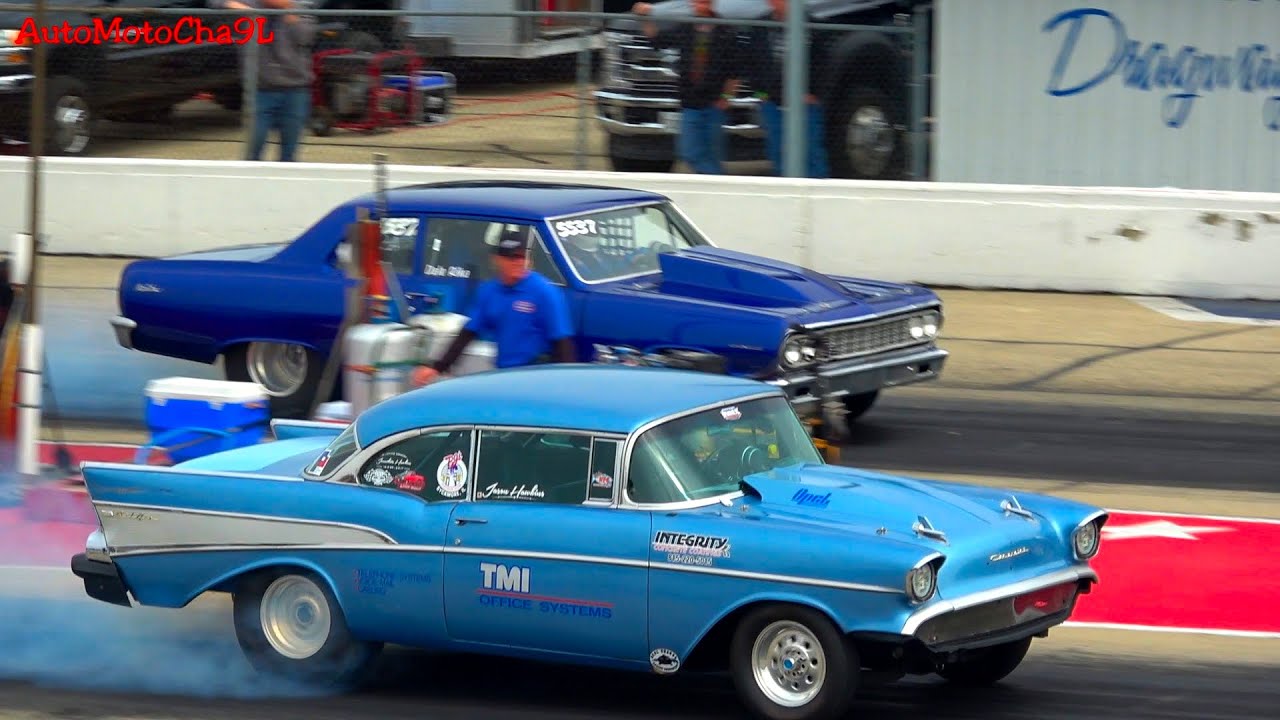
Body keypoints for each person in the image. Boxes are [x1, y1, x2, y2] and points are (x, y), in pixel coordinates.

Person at [411, 228, 576, 386]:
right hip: (504, 375)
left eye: (521, 257)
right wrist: (437, 367)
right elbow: (468, 333)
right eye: (511, 258)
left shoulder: (544, 292)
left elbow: (562, 343)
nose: (517, 262)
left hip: (535, 376)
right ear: (497, 259)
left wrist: (562, 384)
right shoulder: (489, 292)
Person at [632, 0, 741, 174]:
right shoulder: (685, 28)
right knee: (689, 152)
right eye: (698, 2)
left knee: (712, 153)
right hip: (690, 102)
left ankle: (712, 185)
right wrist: (645, 18)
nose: (701, 5)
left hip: (714, 104)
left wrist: (727, 98)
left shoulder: (725, 31)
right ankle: (716, 181)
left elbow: (734, 71)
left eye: (705, 2)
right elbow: (657, 40)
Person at [215, 0, 316, 162]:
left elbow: (306, 38)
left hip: (295, 89)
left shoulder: (300, 7)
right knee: (255, 142)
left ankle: (285, 181)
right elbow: (213, 3)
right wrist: (230, 5)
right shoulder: (250, 5)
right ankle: (251, 181)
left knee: (290, 148)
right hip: (261, 89)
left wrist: (290, 13)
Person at [745, 0, 831, 178]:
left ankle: (818, 190)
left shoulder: (813, 26)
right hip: (773, 102)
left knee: (810, 150)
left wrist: (813, 94)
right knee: (777, 151)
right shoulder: (760, 26)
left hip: (805, 104)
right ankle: (785, 188)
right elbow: (751, 62)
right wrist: (760, 93)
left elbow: (824, 63)